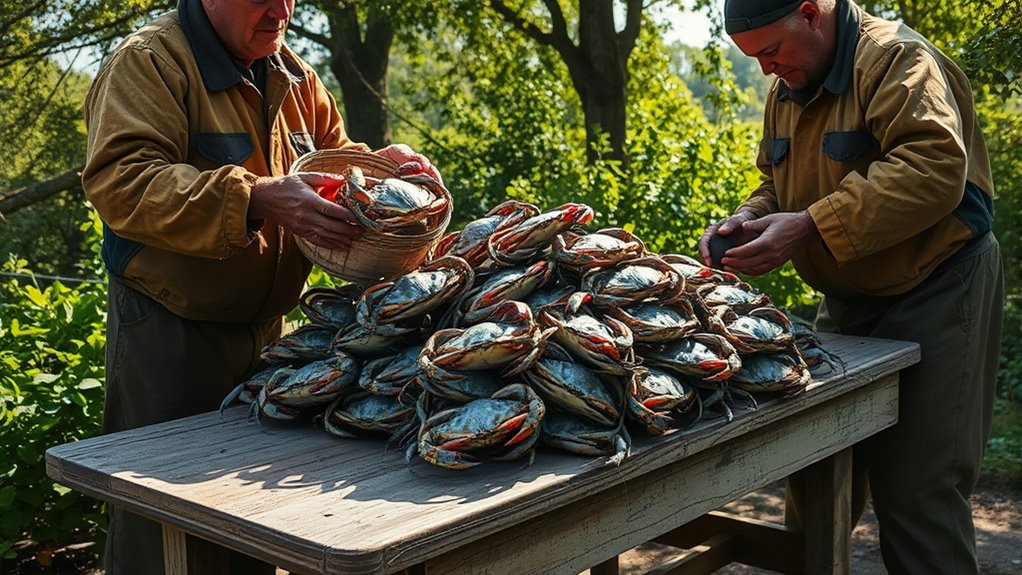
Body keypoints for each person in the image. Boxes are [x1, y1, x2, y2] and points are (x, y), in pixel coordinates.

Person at [81, 0, 440, 573]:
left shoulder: (295, 76)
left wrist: (386, 169)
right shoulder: (150, 61)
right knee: (166, 526)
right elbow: (122, 182)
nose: (282, 10)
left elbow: (338, 166)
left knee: (253, 522)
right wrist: (254, 196)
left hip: (273, 340)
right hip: (172, 339)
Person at [700, 0, 1003, 573]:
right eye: (755, 57)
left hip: (939, 286)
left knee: (919, 492)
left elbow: (934, 168)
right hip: (847, 300)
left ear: (812, 14)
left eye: (770, 51)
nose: (766, 70)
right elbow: (776, 183)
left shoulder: (896, 59)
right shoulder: (789, 81)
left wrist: (809, 227)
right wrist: (748, 219)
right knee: (816, 472)